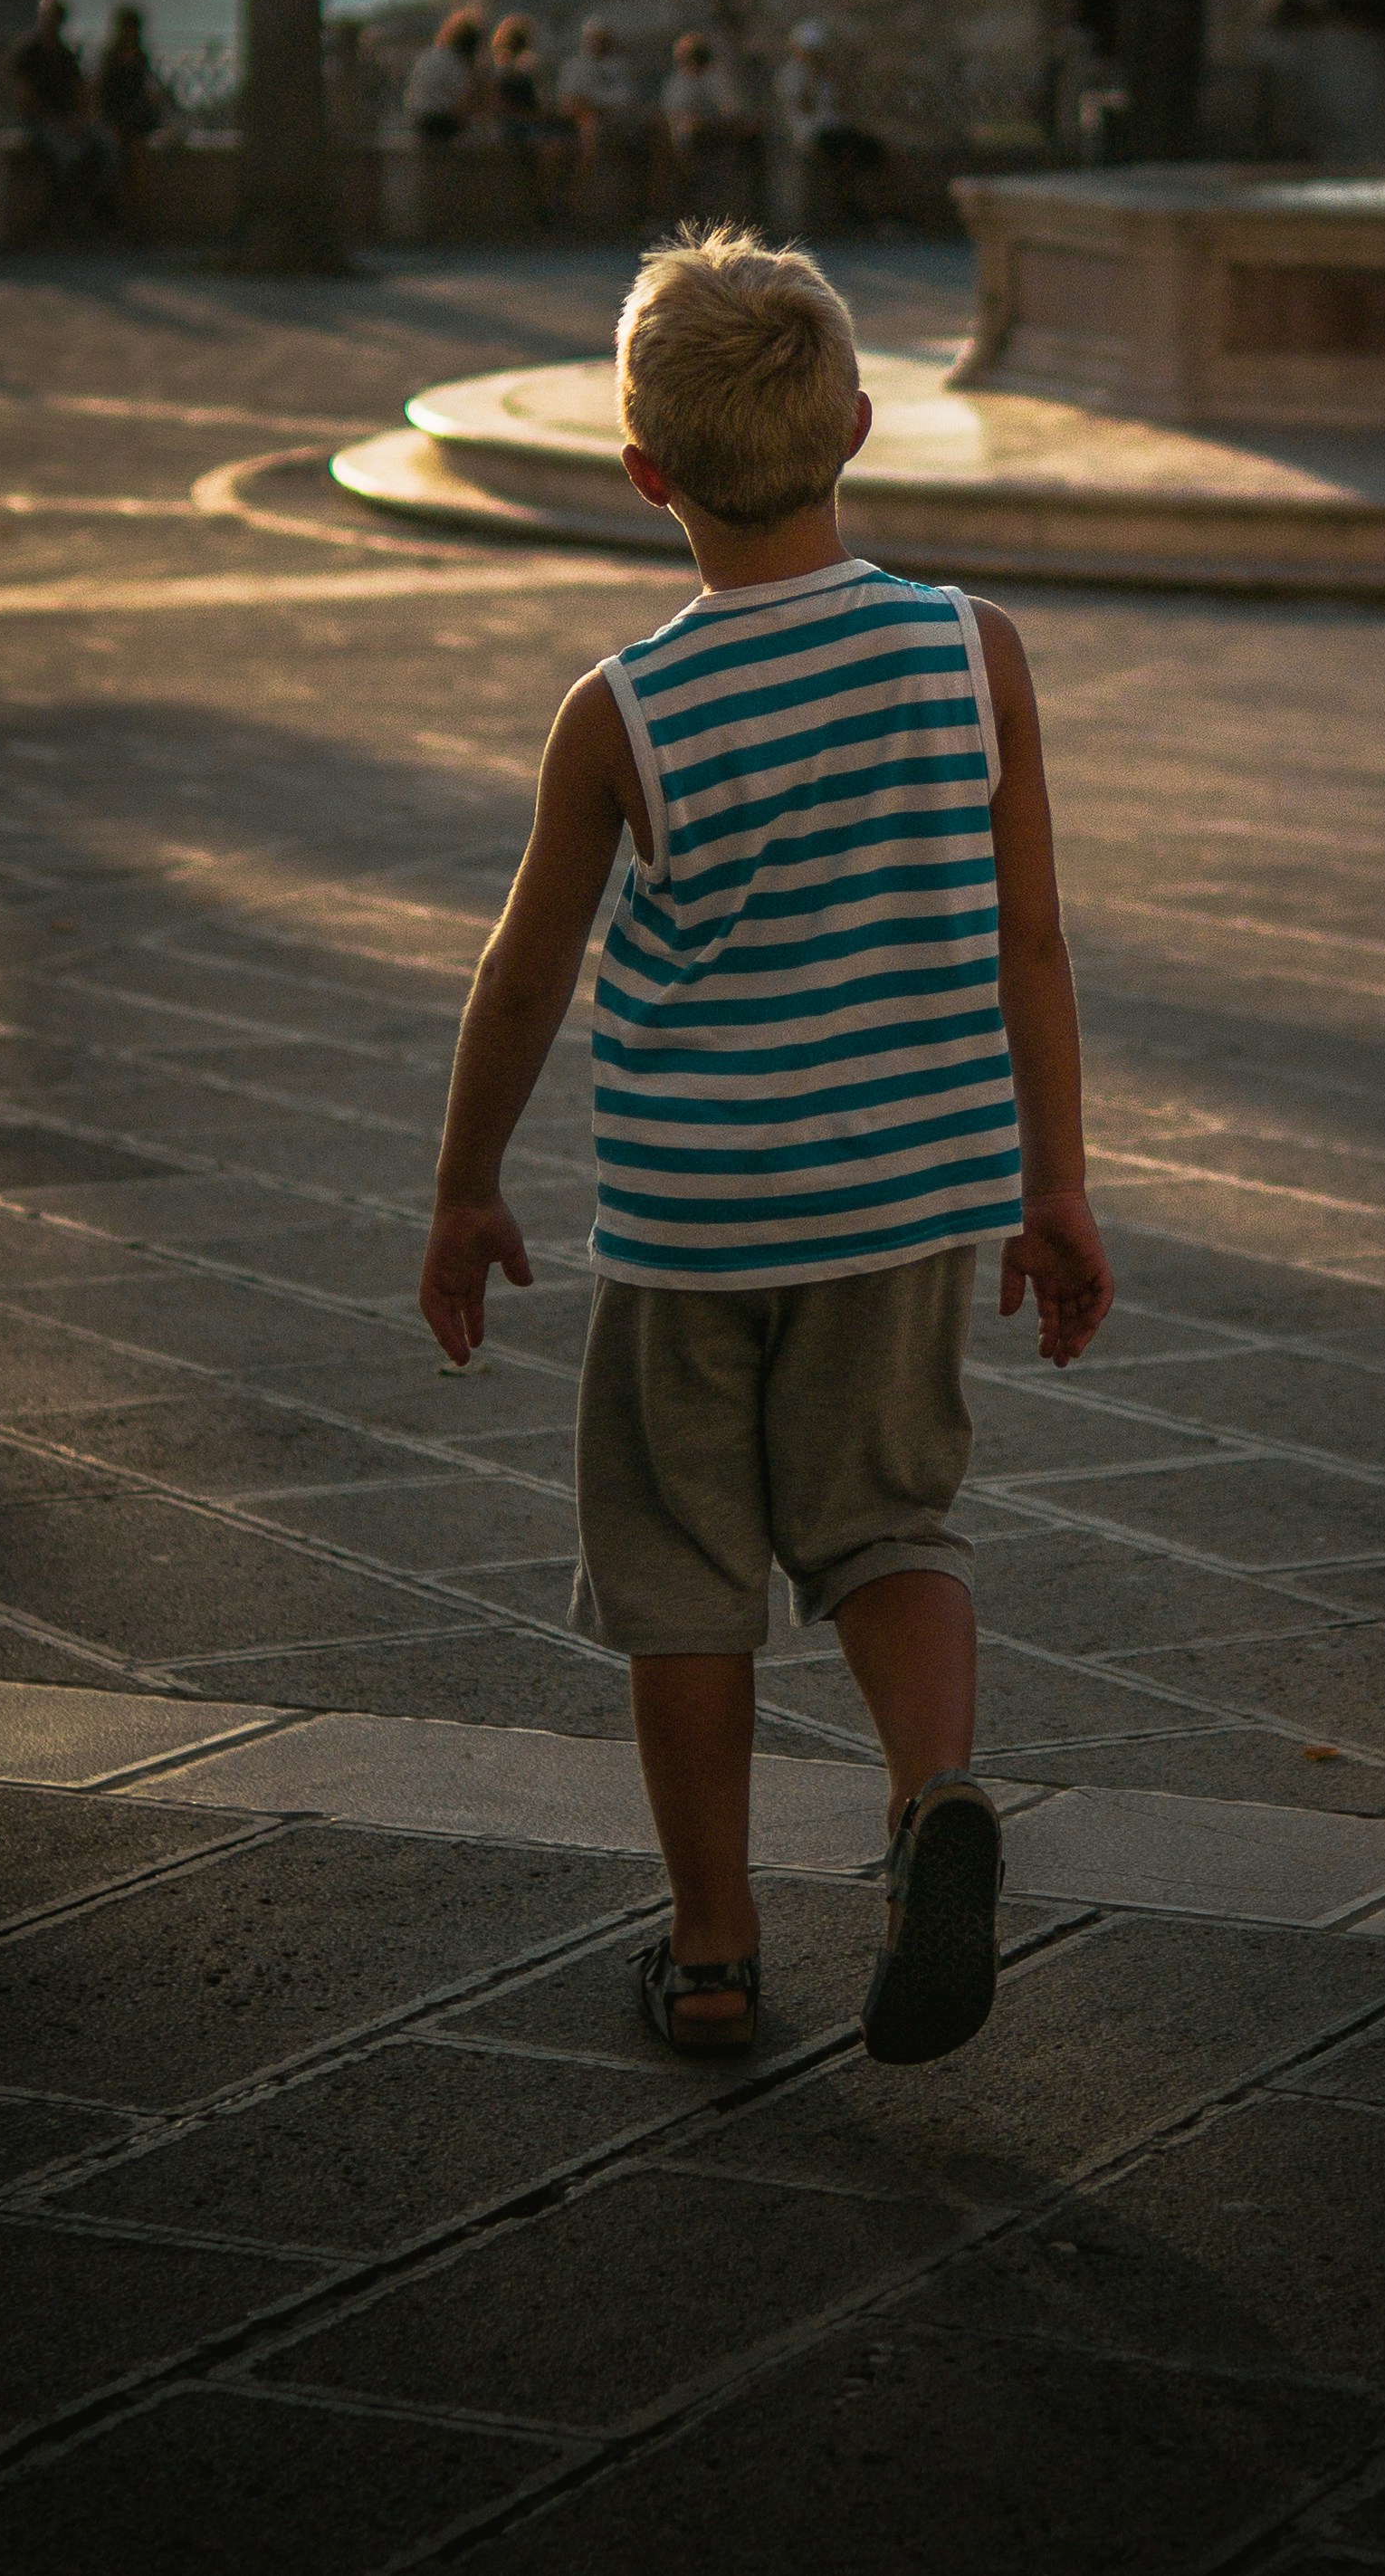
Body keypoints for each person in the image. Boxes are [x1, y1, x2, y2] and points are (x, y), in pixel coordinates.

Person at [416, 230, 1111, 2065]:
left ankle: (713, 1956)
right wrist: (1054, 1182)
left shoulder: (620, 709)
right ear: (859, 427)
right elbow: (1028, 940)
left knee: (679, 1574)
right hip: (906, 1206)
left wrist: (464, 1181)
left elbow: (523, 972)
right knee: (889, 1519)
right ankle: (928, 1797)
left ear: (645, 473)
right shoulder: (974, 652)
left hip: (691, 1218)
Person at [6, 0, 109, 233]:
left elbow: (79, 92)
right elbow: (25, 98)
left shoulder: (64, 55)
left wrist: (80, 121)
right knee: (68, 154)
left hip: (67, 122)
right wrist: (56, 123)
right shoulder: (29, 53)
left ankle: (89, 211)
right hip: (40, 124)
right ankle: (61, 215)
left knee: (105, 149)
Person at [777, 16, 889, 236]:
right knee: (843, 153)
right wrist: (812, 79)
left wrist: (837, 80)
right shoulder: (790, 76)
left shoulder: (827, 74)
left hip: (834, 127)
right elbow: (804, 107)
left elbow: (842, 105)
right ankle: (848, 209)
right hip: (810, 131)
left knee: (871, 150)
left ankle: (876, 211)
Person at [554, 14, 647, 215]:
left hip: (620, 121)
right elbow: (570, 102)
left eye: (603, 39)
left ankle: (654, 206)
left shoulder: (619, 67)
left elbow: (628, 98)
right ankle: (574, 200)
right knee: (590, 129)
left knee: (657, 130)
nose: (599, 43)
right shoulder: (575, 67)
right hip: (587, 123)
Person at [659, 27, 754, 222]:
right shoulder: (677, 83)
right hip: (687, 142)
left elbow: (732, 111)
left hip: (718, 136)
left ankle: (732, 216)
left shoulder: (717, 79)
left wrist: (710, 122)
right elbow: (675, 116)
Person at [94, 2, 166, 234]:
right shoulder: (111, 60)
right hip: (118, 121)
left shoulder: (139, 59)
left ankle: (138, 220)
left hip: (136, 120)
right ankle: (131, 220)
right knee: (128, 160)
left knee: (136, 157)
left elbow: (145, 92)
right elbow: (104, 95)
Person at [487, 12, 553, 220]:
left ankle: (541, 204)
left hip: (521, 122)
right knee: (546, 148)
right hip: (518, 124)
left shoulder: (502, 66)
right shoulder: (523, 66)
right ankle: (542, 205)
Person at [405, 7, 485, 145]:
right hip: (440, 123)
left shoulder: (429, 54)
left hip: (417, 118)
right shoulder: (456, 63)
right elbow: (463, 102)